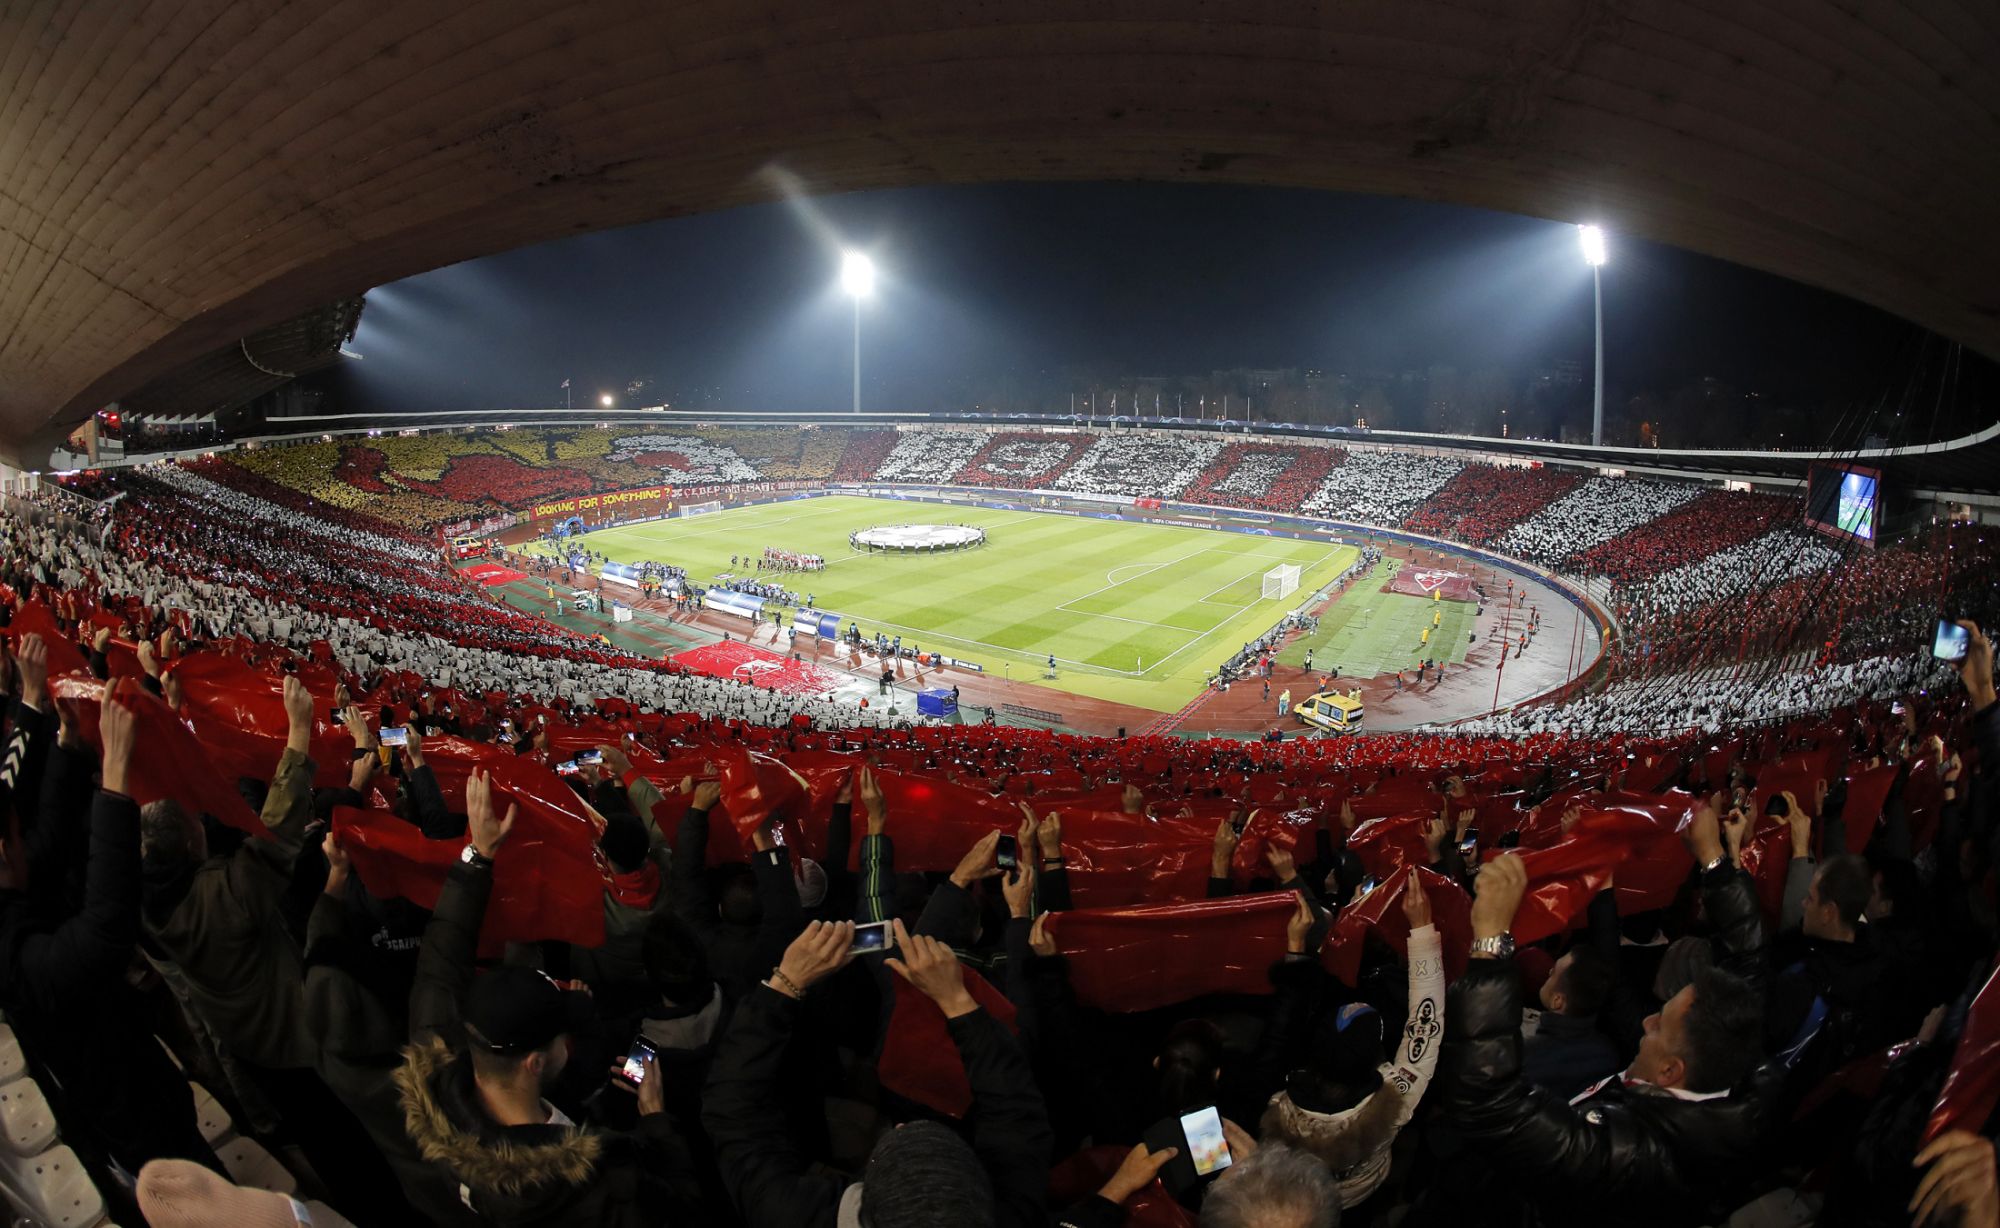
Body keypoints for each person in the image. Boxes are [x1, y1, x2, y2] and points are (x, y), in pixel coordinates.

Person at [1424, 804, 1772, 1227]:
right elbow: (1749, 958)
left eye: (1660, 1024)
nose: (1647, 1021)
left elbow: (1489, 1103)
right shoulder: (1736, 1075)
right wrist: (1713, 858)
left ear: (1669, 1070)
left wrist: (1492, 940)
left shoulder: (1624, 1155)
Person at [395, 768, 703, 1224]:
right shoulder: (599, 1188)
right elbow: (685, 1209)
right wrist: (656, 1122)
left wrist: (478, 857)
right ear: (536, 1062)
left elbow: (441, 960)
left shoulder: (435, 1064)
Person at [702, 919, 1054, 1227]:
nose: (902, 1127)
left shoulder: (787, 1212)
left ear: (865, 1188)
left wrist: (786, 981)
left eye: (895, 1142)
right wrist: (958, 1002)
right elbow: (1016, 1112)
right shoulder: (1016, 1210)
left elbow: (732, 1113)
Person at [1258, 882, 1442, 1210]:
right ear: (1377, 1058)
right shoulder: (1396, 1100)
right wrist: (1423, 931)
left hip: (1305, 1204)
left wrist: (1297, 948)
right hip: (1367, 1196)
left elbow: (1280, 1034)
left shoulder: (1276, 1102)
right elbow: (1425, 1025)